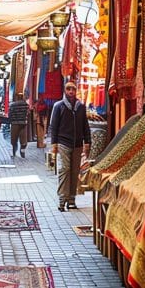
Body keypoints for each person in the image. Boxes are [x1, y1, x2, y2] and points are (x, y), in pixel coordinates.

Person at [50, 81, 91, 211]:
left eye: (73, 89)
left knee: (75, 172)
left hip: (77, 144)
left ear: (76, 90)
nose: (71, 91)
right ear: (65, 91)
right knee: (65, 170)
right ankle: (62, 200)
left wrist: (87, 142)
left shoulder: (81, 107)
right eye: (68, 89)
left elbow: (85, 126)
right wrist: (54, 144)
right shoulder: (59, 106)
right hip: (63, 143)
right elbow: (54, 126)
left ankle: (72, 200)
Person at [8, 93, 31, 158]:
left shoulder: (12, 105)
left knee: (14, 139)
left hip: (14, 124)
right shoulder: (26, 105)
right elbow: (28, 113)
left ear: (17, 97)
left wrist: (11, 121)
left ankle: (14, 152)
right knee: (23, 139)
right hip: (23, 124)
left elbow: (10, 115)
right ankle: (22, 152)